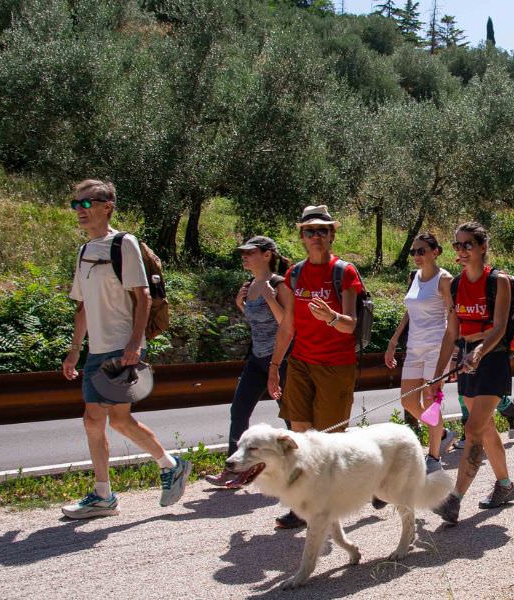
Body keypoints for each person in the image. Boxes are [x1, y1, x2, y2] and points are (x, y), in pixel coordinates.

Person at [60, 179, 190, 519]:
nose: (80, 211)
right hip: (97, 350)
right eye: (75, 204)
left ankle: (112, 490)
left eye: (86, 203)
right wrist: (75, 350)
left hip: (122, 347)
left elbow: (142, 296)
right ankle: (162, 468)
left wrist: (135, 342)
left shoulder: (123, 243)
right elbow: (83, 306)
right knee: (105, 420)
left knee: (104, 418)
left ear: (107, 205)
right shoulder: (85, 251)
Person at [266, 205, 366, 530]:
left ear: (332, 234)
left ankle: (351, 491)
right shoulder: (295, 273)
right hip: (301, 364)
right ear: (302, 237)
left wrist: (332, 317)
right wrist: (275, 365)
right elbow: (288, 325)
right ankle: (302, 506)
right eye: (310, 231)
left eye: (323, 230)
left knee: (329, 440)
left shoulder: (344, 272)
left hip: (336, 366)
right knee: (300, 438)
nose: (317, 236)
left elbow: (351, 326)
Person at [432, 222, 514, 523]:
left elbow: (499, 327)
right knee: (485, 428)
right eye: (457, 245)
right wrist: (440, 372)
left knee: (472, 429)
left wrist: (480, 352)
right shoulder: (454, 285)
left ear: (482, 247)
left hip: (492, 359)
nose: (462, 250)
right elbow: (451, 331)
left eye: (468, 244)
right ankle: (505, 486)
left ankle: (454, 500)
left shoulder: (499, 281)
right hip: (466, 360)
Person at [205, 236, 290, 488]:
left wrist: (270, 298)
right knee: (239, 411)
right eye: (243, 252)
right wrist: (240, 304)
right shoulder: (249, 284)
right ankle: (232, 470)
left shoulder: (279, 283)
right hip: (256, 359)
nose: (244, 256)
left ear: (267, 255)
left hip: (281, 359)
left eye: (250, 252)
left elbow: (287, 323)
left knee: (289, 415)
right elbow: (257, 322)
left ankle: (297, 467)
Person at [384, 233, 455, 472]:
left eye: (421, 250)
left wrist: (453, 352)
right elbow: (409, 311)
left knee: (429, 400)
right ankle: (442, 433)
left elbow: (453, 318)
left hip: (437, 347)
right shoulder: (415, 277)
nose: (416, 255)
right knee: (408, 400)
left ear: (435, 252)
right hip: (414, 347)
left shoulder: (444, 280)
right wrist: (393, 341)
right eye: (414, 251)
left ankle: (433, 458)